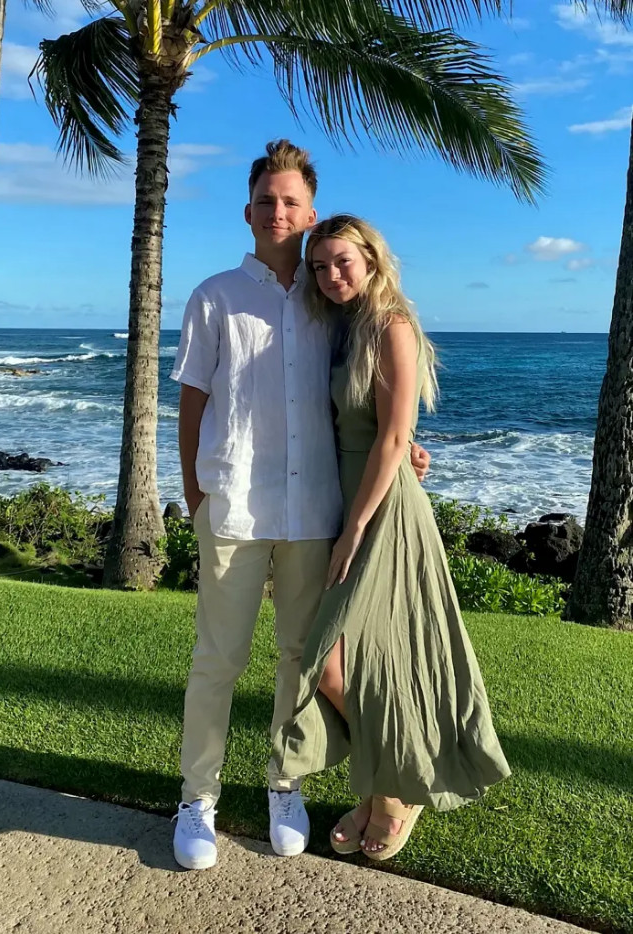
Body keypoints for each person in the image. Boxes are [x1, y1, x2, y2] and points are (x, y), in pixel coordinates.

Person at [170, 141, 431, 871]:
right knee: (217, 659)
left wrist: (405, 443)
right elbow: (191, 403)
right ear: (247, 211)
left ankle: (285, 785)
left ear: (311, 214)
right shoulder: (214, 296)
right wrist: (195, 494)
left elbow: (368, 393)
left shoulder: (333, 305)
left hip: (315, 508)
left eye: (290, 202)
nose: (277, 211)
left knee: (299, 657)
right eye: (266, 200)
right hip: (233, 507)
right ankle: (197, 798)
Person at [269, 214, 511, 862]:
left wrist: (355, 530)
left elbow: (393, 436)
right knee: (352, 662)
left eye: (342, 262)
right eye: (319, 267)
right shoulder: (341, 327)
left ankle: (396, 791)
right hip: (347, 498)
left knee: (332, 659)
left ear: (372, 260)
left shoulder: (390, 325)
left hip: (379, 512)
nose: (330, 275)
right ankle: (392, 783)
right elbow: (381, 428)